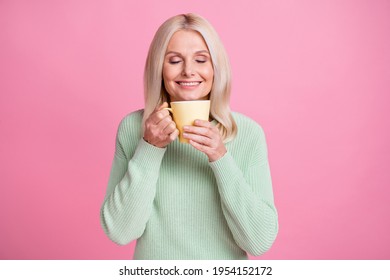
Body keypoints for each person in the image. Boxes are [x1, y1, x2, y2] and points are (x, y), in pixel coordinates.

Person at [100, 13, 278, 260]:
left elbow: (259, 241)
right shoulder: (134, 128)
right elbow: (120, 232)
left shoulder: (247, 133)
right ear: (159, 69)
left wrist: (220, 158)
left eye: (201, 60)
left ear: (215, 67)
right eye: (174, 60)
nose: (188, 71)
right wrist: (149, 148)